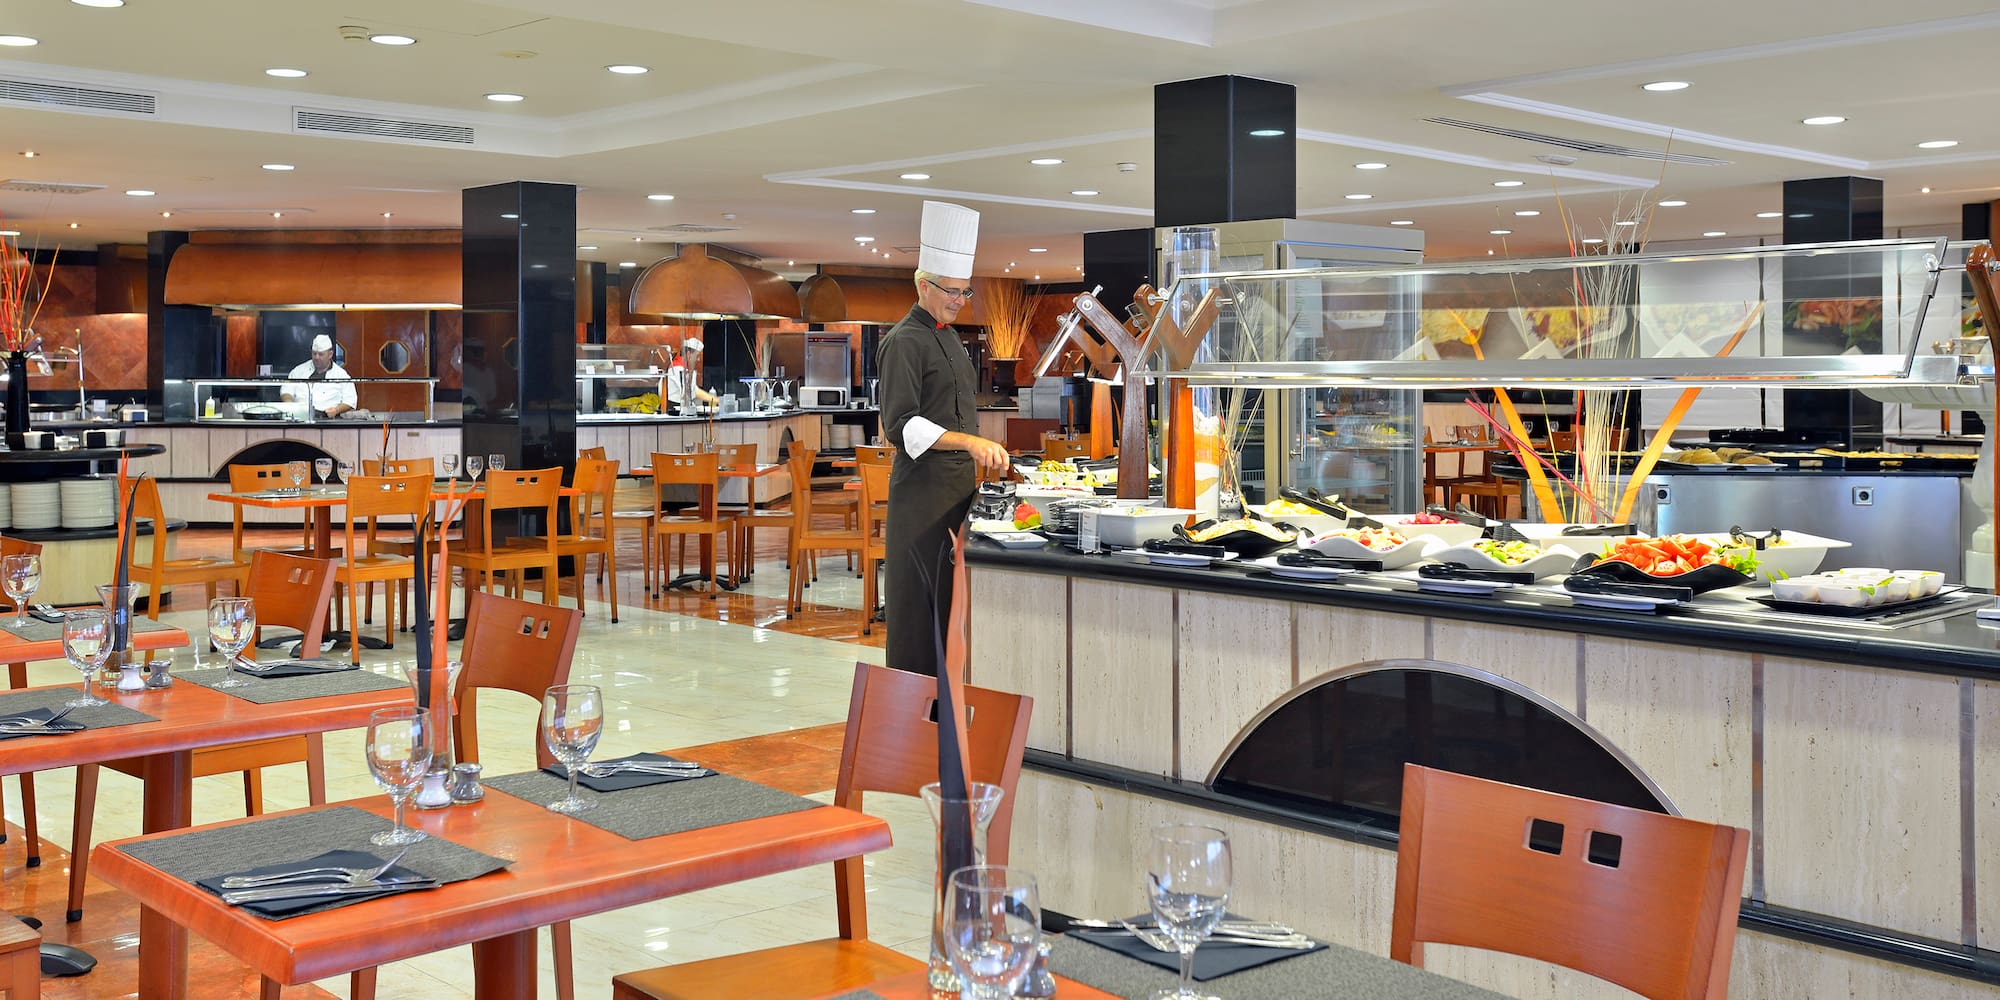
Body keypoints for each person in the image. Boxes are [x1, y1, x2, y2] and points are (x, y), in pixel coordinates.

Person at [878, 200, 1009, 677]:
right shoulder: (903, 342)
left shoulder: (951, 338)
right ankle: (909, 721)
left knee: (950, 610)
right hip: (920, 498)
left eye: (964, 291)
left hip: (957, 495)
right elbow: (902, 425)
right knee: (918, 613)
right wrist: (971, 443)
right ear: (922, 285)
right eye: (950, 291)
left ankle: (945, 717)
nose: (958, 300)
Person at [280, 334, 357, 418]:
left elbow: (350, 401)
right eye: (314, 353)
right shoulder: (298, 371)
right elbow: (286, 391)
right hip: (300, 417)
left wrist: (336, 410)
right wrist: (290, 406)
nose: (316, 357)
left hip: (328, 419)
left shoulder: (341, 375)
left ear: (330, 354)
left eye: (321, 354)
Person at [661, 337, 718, 414]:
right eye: (697, 356)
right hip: (673, 411)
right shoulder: (678, 368)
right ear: (688, 354)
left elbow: (694, 390)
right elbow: (687, 392)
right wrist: (715, 399)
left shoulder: (684, 368)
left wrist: (713, 399)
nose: (698, 359)